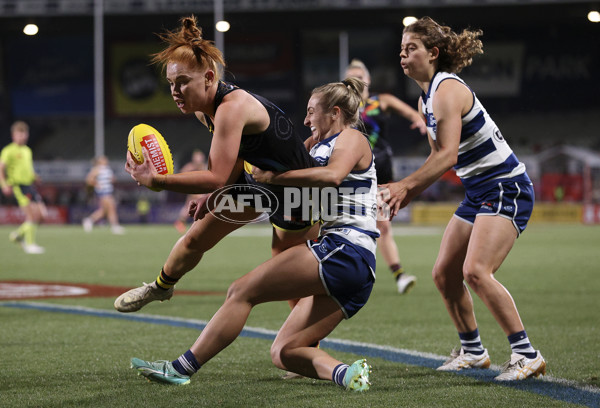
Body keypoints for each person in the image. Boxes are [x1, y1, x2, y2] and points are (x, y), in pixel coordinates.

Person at [131, 77, 376, 392]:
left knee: (241, 291)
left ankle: (181, 368)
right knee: (284, 352)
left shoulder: (352, 137)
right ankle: (348, 374)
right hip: (352, 268)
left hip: (344, 250)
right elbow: (283, 177)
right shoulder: (317, 146)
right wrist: (220, 192)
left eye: (311, 112)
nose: (305, 120)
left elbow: (330, 177)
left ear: (335, 112)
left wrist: (274, 175)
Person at [114, 16, 320, 313]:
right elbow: (235, 157)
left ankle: (305, 343)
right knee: (196, 236)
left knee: (285, 272)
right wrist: (215, 197)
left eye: (183, 82)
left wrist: (159, 181)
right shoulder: (205, 111)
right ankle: (160, 288)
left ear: (209, 78)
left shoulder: (231, 108)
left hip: (296, 194)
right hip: (259, 183)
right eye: (172, 83)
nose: (175, 91)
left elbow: (214, 176)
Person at [378, 16, 545, 381]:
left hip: (505, 186)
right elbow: (435, 159)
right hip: (478, 192)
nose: (403, 56)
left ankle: (527, 354)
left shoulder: (447, 90)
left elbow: (448, 156)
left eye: (412, 49)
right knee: (444, 274)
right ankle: (473, 351)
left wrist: (404, 186)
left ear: (433, 53)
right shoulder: (426, 100)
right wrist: (409, 194)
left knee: (475, 272)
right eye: (401, 50)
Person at [345, 59, 426, 294]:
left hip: (381, 172)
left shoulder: (382, 101)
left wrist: (420, 121)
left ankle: (399, 275)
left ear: (368, 80)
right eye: (351, 76)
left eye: (360, 75)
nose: (357, 80)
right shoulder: (342, 107)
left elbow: (412, 114)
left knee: (383, 225)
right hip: (351, 173)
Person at [0, 121, 46, 254]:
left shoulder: (27, 150)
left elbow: (28, 169)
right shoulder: (8, 150)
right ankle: (30, 244)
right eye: (19, 133)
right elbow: (1, 168)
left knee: (42, 215)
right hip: (18, 186)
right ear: (13, 135)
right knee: (31, 215)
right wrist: (4, 185)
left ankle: (18, 235)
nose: (23, 136)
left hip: (29, 185)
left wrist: (34, 177)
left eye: (24, 133)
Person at [82, 156, 125, 235]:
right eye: (104, 159)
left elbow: (112, 179)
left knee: (103, 211)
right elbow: (89, 180)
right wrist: (97, 184)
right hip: (103, 192)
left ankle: (89, 221)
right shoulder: (97, 169)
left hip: (108, 190)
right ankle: (115, 226)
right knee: (111, 207)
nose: (106, 160)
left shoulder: (107, 169)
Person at [173, 149, 207, 233]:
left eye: (200, 157)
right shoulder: (190, 167)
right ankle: (195, 223)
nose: (199, 159)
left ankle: (180, 222)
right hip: (194, 189)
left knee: (188, 207)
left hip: (201, 189)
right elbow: (181, 174)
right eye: (197, 157)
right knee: (199, 203)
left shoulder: (205, 167)